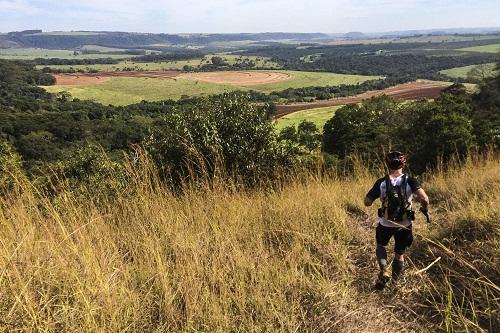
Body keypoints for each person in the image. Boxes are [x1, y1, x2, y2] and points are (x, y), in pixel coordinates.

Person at [364, 151, 430, 289]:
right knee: (399, 254)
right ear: (403, 164)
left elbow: (367, 202)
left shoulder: (381, 182)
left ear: (387, 164)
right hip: (405, 224)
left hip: (385, 224)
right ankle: (394, 282)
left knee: (381, 246)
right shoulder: (411, 180)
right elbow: (424, 199)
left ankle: (383, 270)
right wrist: (424, 209)